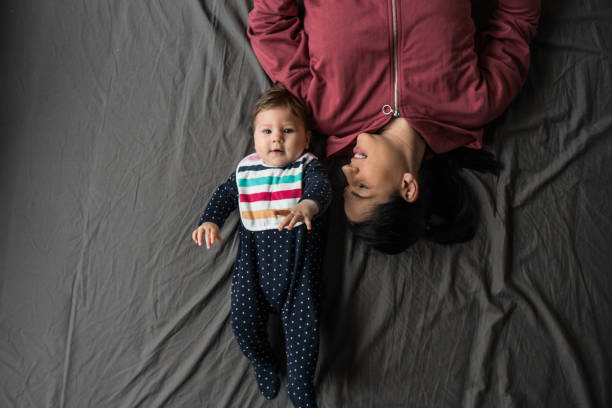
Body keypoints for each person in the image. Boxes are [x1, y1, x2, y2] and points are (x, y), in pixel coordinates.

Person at [248, 0, 541, 253]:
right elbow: (517, 21)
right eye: (361, 186)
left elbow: (271, 28)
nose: (347, 169)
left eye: (346, 183)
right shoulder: (478, 103)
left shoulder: (321, 111)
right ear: (407, 186)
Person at [192, 86, 332, 408]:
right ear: (254, 137)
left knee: (305, 336)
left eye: (287, 131)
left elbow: (321, 188)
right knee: (242, 322)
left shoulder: (308, 167)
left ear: (306, 138)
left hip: (298, 271)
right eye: (267, 131)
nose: (276, 139)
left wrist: (309, 204)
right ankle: (263, 360)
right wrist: (210, 220)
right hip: (253, 266)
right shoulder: (246, 171)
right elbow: (224, 195)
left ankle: (299, 382)